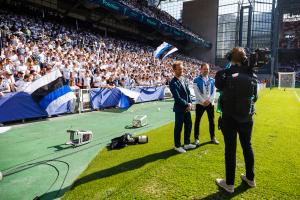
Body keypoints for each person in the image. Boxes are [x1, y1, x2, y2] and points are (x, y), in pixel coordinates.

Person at [215, 47, 258, 193]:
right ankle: (250, 179)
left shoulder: (224, 74)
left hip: (229, 118)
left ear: (231, 58)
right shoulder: (252, 75)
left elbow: (218, 86)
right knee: (247, 147)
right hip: (246, 117)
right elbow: (255, 98)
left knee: (230, 150)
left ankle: (229, 184)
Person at [169, 61, 196, 153]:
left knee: (189, 125)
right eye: (179, 69)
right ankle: (177, 146)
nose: (181, 70)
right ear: (174, 70)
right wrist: (187, 104)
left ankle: (187, 143)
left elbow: (188, 93)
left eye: (182, 69)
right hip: (180, 109)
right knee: (178, 127)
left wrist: (190, 103)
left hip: (187, 108)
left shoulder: (184, 79)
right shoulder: (172, 82)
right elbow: (177, 97)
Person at [193, 63, 219, 146]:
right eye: (204, 69)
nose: (206, 70)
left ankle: (213, 137)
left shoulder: (212, 80)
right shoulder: (196, 80)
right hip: (200, 103)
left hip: (210, 103)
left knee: (212, 121)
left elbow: (214, 92)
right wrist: (203, 101)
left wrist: (209, 100)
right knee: (197, 121)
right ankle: (196, 139)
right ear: (201, 70)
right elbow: (196, 92)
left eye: (207, 69)